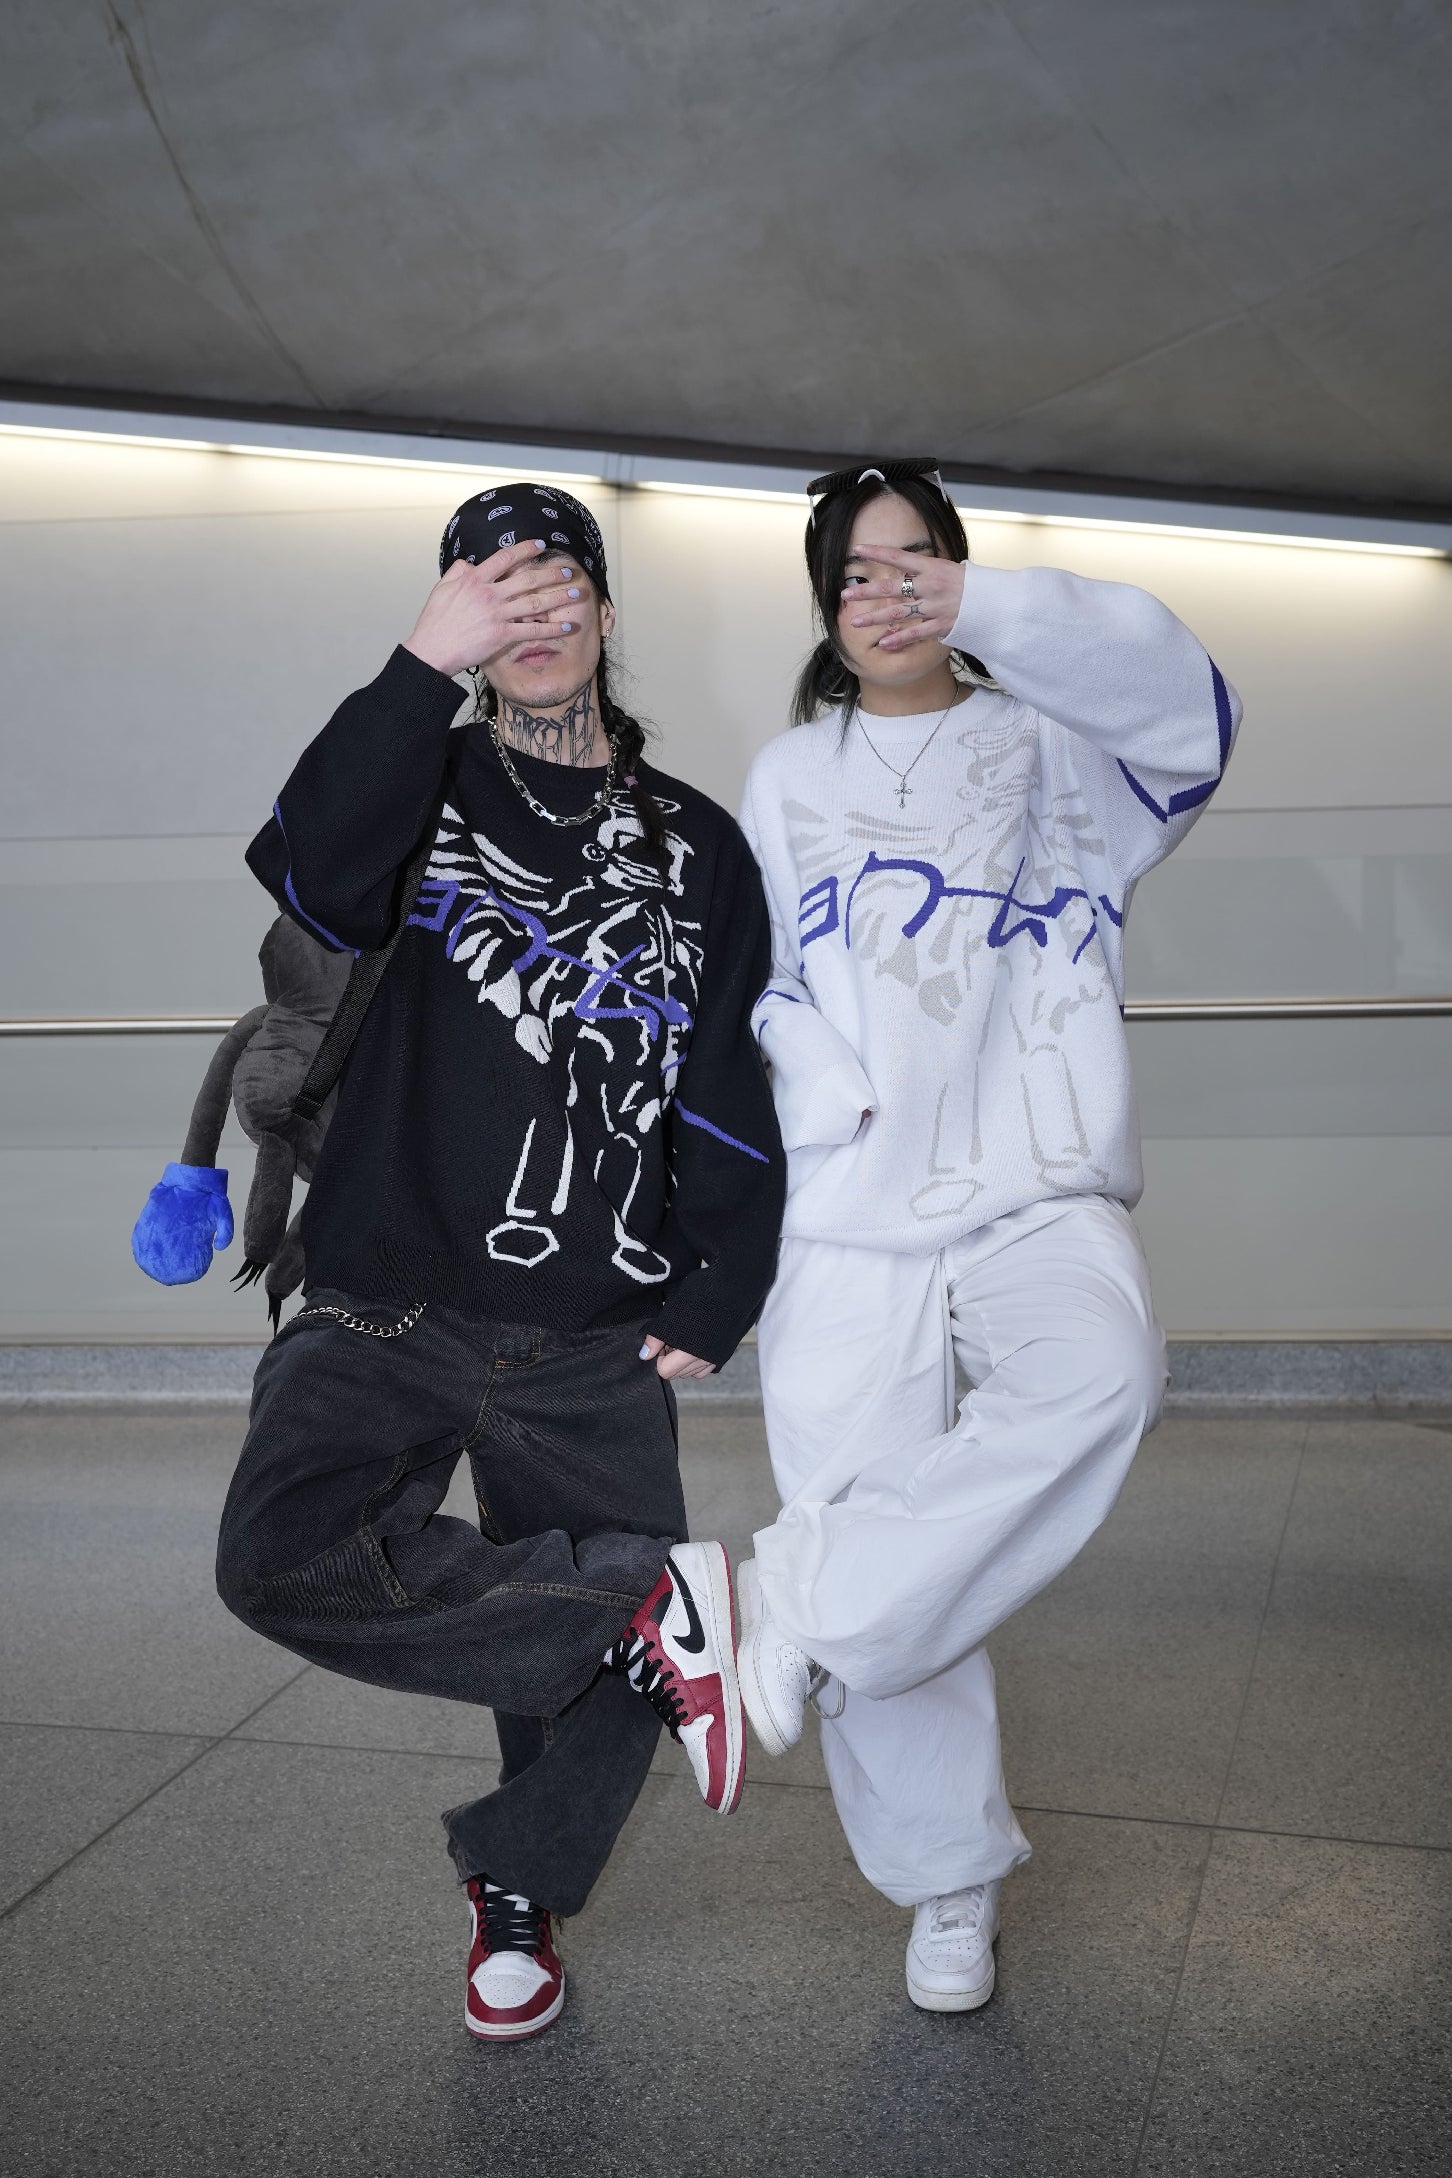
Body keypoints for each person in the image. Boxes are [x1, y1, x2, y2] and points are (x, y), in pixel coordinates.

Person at [216, 483, 785, 2041]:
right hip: (384, 1286)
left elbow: (725, 1081)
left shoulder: (701, 846)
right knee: (278, 1556)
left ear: (604, 611)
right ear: (457, 617)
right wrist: (418, 667)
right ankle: (642, 1602)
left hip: (596, 1314)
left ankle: (521, 1881)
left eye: (555, 584)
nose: (530, 612)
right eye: (493, 588)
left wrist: (725, 1276)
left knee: (610, 1654)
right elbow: (312, 870)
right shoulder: (418, 777)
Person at [735, 459, 1240, 2014]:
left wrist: (1003, 612)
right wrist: (830, 1094)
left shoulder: (1059, 742)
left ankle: (797, 1596)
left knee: (1102, 1377)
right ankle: (949, 1884)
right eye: (856, 572)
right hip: (848, 1213)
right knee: (889, 1518)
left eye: (918, 564)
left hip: (1036, 1188)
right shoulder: (787, 775)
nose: (886, 594)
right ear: (823, 607)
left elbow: (1194, 712)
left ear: (961, 575)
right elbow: (760, 985)